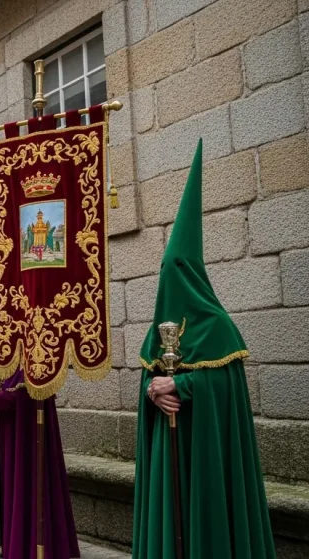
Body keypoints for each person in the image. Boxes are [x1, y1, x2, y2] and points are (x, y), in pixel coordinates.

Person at [133, 141, 274, 559]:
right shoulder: (157, 330)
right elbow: (149, 377)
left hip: (207, 450)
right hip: (169, 449)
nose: (169, 277)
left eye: (177, 269)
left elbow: (228, 389)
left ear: (193, 273)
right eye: (165, 269)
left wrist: (184, 386)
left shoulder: (218, 327)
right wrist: (153, 390)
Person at [0, 367, 80, 558]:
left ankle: (28, 543)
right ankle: (8, 540)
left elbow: (34, 394)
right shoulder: (9, 357)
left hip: (28, 434)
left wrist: (0, 399)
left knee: (28, 479)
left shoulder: (39, 357)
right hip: (7, 430)